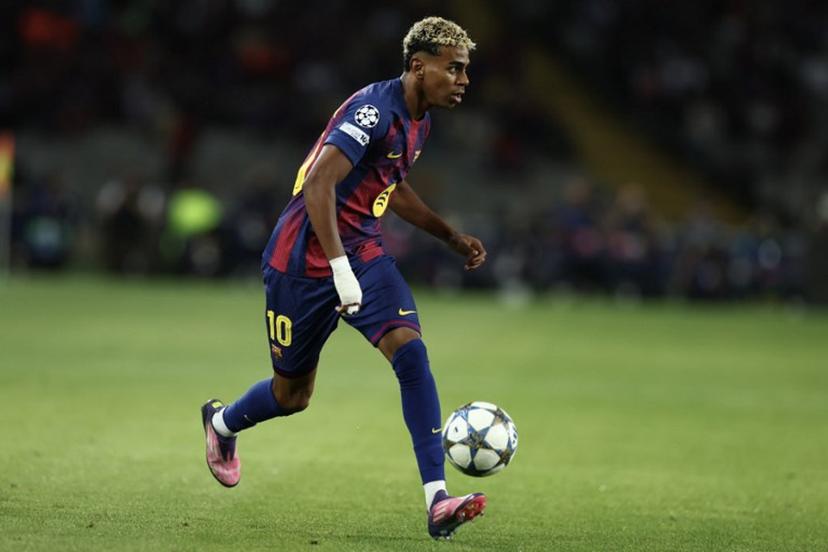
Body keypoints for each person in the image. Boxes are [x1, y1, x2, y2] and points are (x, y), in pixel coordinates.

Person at [200, 16, 488, 540]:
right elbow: (318, 184)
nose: (464, 81)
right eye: (455, 69)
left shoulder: (420, 119)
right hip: (301, 264)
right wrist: (337, 269)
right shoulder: (374, 110)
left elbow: (390, 186)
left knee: (411, 355)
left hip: (363, 254)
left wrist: (449, 236)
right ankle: (221, 425)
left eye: (466, 71)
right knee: (293, 397)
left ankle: (437, 500)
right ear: (419, 67)